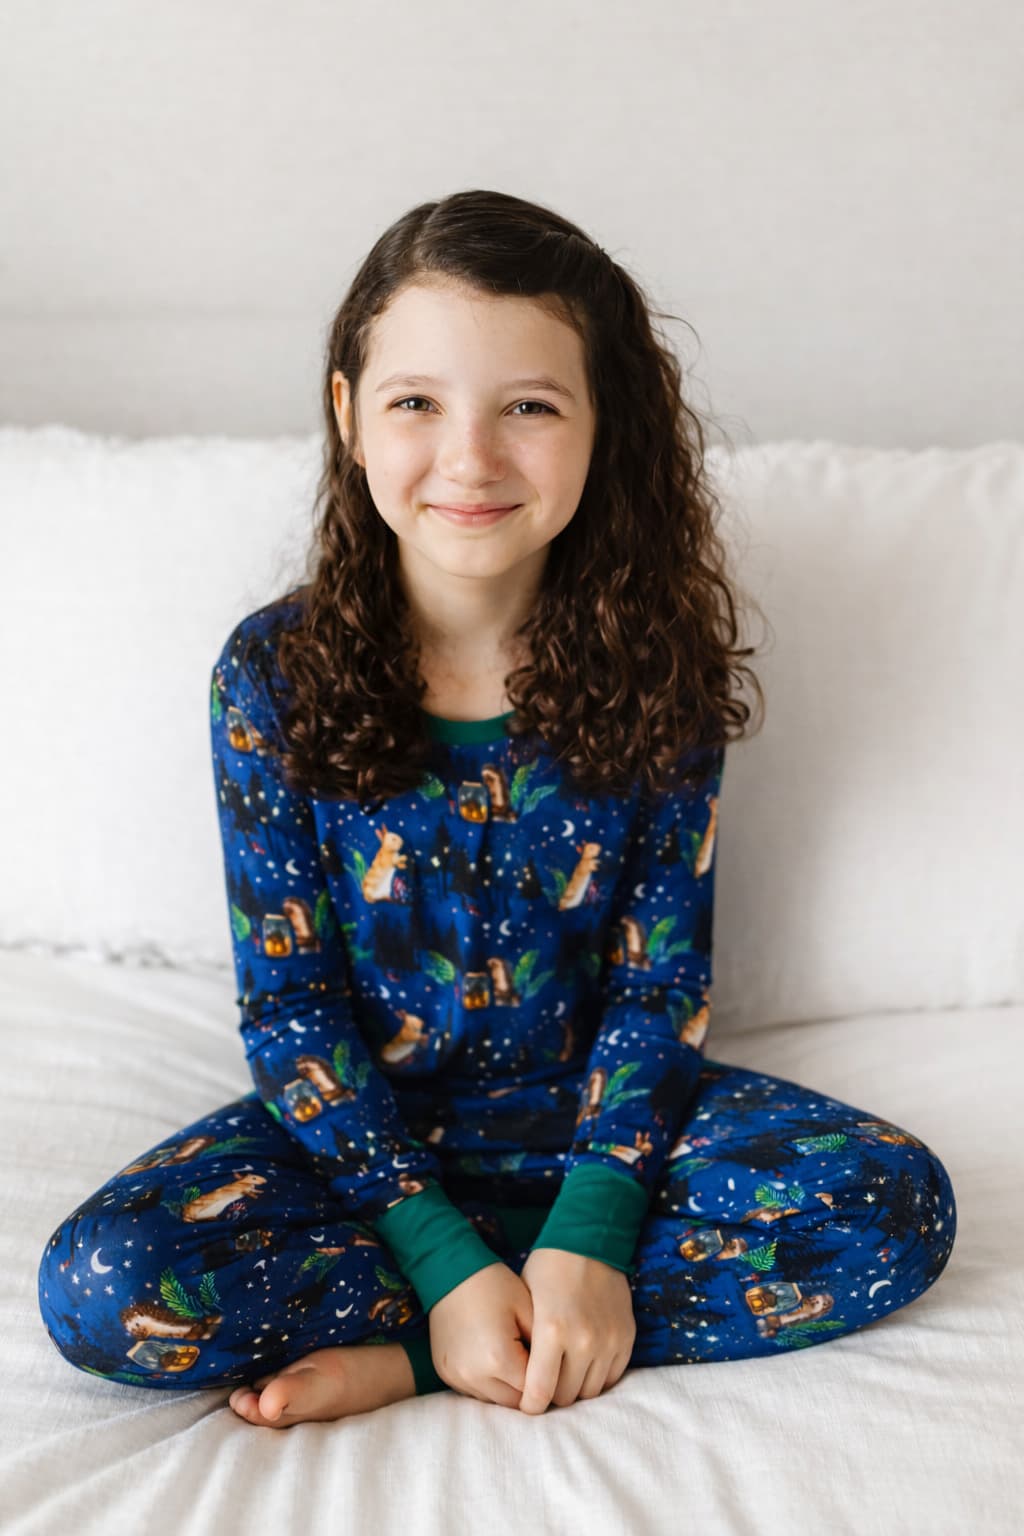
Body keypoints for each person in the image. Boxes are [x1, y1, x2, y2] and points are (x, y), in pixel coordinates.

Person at [37, 188, 958, 1427]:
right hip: (363, 1151)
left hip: (601, 1135)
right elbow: (290, 1008)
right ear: (349, 415)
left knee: (896, 1204)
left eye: (528, 406)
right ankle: (480, 1309)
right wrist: (437, 1253)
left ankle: (438, 1350)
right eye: (417, 402)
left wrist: (592, 1227)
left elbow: (658, 987)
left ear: (602, 426)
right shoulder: (272, 675)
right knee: (104, 1289)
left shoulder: (654, 669)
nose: (470, 458)